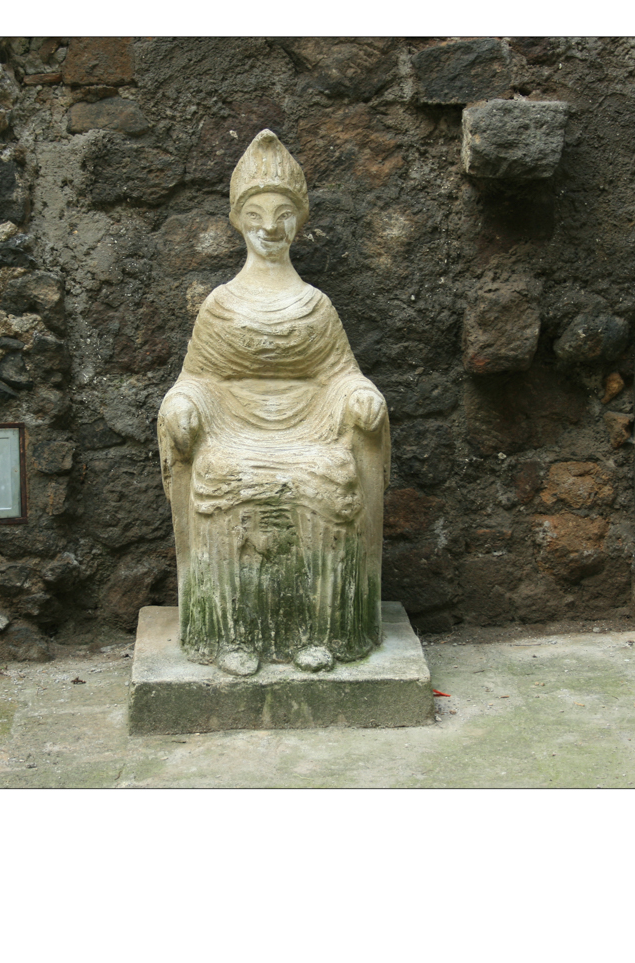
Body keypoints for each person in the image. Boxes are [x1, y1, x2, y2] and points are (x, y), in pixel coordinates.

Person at [158, 130, 389, 676]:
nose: (269, 227)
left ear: (298, 222)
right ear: (238, 221)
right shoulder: (220, 305)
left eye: (283, 214)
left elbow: (340, 375)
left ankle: (322, 631)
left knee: (331, 475)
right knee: (218, 474)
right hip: (231, 430)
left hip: (311, 431)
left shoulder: (316, 305)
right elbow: (197, 378)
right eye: (255, 214)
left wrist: (361, 396)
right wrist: (182, 405)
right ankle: (231, 633)